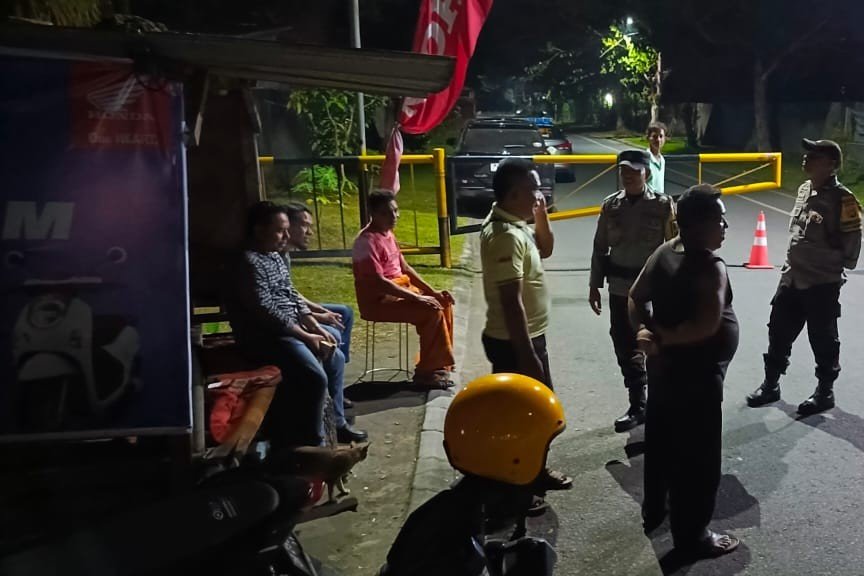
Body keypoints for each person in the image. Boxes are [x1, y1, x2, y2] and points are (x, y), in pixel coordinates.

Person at [628, 184, 740, 558]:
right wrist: (662, 337)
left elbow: (635, 297)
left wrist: (647, 331)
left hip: (665, 373)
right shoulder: (710, 266)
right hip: (697, 378)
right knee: (698, 459)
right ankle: (693, 536)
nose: (725, 224)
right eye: (719, 218)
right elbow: (707, 326)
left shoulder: (665, 251)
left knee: (661, 443)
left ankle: (655, 509)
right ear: (697, 224)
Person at [379, 373, 565, 576]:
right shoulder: (469, 548)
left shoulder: (438, 512)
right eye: (545, 448)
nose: (547, 457)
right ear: (514, 453)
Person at [226, 201, 367, 449]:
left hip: (289, 331)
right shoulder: (249, 262)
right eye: (280, 230)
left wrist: (316, 326)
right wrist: (306, 336)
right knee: (315, 377)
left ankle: (338, 424)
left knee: (333, 357)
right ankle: (313, 442)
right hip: (267, 337)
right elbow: (266, 311)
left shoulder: (275, 257)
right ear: (259, 230)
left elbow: (291, 296)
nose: (286, 236)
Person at [746, 139, 862, 415]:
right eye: (807, 154)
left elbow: (852, 244)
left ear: (831, 164)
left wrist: (830, 267)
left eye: (814, 156)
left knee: (822, 338)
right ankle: (771, 385)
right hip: (792, 277)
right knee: (778, 331)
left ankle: (825, 392)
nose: (805, 158)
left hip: (821, 282)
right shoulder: (803, 190)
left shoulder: (842, 199)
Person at [479, 158, 572, 493]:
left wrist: (541, 216)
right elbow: (511, 302)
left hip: (526, 338)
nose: (539, 194)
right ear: (515, 193)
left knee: (534, 414)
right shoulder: (504, 236)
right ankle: (521, 485)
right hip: (515, 342)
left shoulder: (516, 224)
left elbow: (545, 249)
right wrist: (527, 354)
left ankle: (533, 474)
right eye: (533, 189)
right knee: (529, 418)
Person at [589, 150, 676, 433]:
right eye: (624, 171)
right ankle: (638, 403)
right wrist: (594, 284)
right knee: (624, 344)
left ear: (647, 174)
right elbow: (600, 247)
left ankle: (662, 402)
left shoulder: (663, 206)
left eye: (634, 171)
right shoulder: (611, 206)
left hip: (654, 290)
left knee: (657, 344)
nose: (628, 176)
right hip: (619, 288)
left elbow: (674, 249)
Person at [352, 190, 455, 389]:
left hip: (400, 291)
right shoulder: (366, 242)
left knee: (442, 302)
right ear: (373, 214)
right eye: (386, 213)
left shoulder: (388, 234)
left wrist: (432, 292)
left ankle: (438, 364)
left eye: (395, 211)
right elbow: (379, 282)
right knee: (431, 312)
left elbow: (405, 268)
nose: (394, 217)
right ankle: (425, 374)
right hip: (379, 302)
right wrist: (418, 299)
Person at [282, 202, 356, 409]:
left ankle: (338, 385)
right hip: (287, 321)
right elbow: (283, 301)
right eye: (305, 225)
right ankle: (334, 391)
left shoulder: (283, 254)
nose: (310, 232)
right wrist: (317, 318)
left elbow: (292, 292)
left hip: (294, 311)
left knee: (344, 312)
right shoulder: (271, 256)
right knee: (334, 331)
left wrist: (319, 310)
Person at [645, 122, 667, 195]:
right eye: (654, 137)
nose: (658, 140)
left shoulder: (662, 160)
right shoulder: (645, 160)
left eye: (661, 136)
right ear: (648, 138)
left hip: (660, 202)